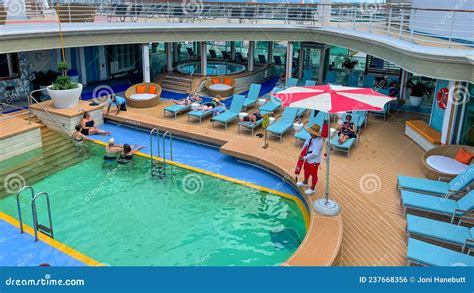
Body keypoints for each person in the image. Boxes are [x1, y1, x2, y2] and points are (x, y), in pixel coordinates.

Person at [296, 124, 324, 195]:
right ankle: (305, 182)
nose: (310, 133)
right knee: (306, 170)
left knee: (314, 175)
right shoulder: (311, 137)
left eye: (311, 132)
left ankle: (312, 188)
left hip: (314, 161)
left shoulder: (319, 142)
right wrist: (302, 154)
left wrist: (304, 157)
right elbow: (305, 144)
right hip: (307, 158)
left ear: (315, 133)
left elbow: (315, 154)